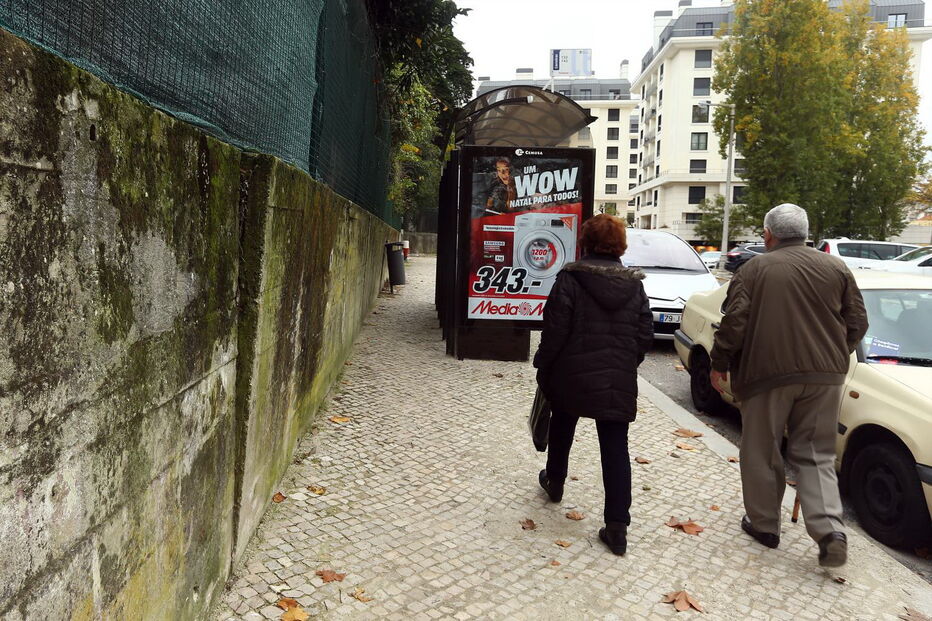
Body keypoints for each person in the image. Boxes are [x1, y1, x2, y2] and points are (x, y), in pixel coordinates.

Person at [709, 203, 868, 568]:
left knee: (762, 451)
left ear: (769, 235)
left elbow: (734, 323)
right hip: (824, 378)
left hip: (766, 376)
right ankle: (830, 530)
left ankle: (765, 526)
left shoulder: (754, 269)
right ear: (805, 233)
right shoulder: (836, 267)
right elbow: (858, 322)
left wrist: (719, 365)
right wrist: (833, 354)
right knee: (816, 454)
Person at [532, 214, 654, 556]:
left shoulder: (570, 279)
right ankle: (617, 527)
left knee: (562, 425)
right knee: (615, 448)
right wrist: (625, 364)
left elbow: (554, 329)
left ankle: (554, 482)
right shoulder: (635, 285)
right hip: (616, 377)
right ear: (619, 245)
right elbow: (644, 333)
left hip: (571, 373)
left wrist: (544, 365)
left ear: (584, 242)